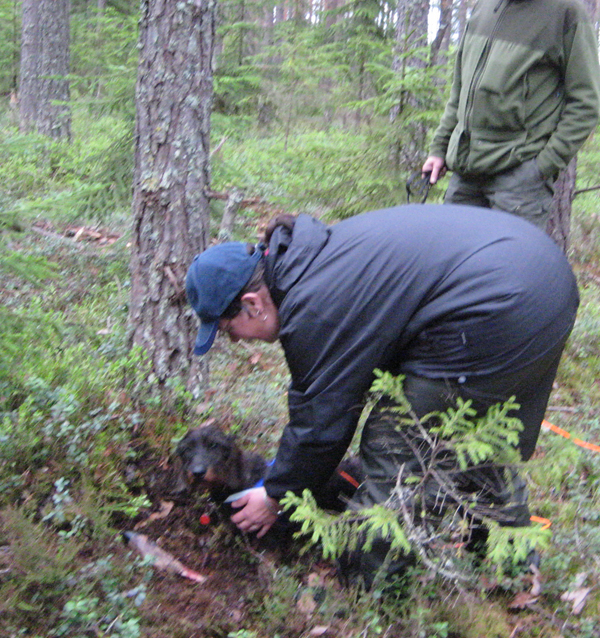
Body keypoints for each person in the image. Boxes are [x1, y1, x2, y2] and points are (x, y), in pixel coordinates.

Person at [185, 204, 579, 584]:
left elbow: (322, 424)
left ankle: (375, 591)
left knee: (395, 443)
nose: (233, 341)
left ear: (252, 304)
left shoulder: (312, 307)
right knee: (476, 430)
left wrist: (275, 496)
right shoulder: (310, 261)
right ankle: (509, 558)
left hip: (498, 299)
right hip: (541, 273)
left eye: (225, 328)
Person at [421, 0, 600, 233]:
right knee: (454, 271)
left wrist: (541, 167)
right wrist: (439, 150)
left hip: (519, 182)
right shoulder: (484, 6)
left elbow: (586, 104)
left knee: (504, 277)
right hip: (466, 173)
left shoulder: (565, 13)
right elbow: (461, 91)